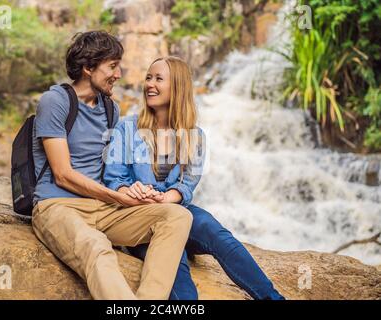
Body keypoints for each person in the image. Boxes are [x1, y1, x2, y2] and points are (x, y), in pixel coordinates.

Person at [103, 56, 285, 300]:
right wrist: (132, 190)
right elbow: (114, 179)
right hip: (140, 215)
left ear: (178, 86)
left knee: (215, 232)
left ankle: (273, 298)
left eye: (158, 79)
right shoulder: (127, 127)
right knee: (174, 263)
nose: (149, 84)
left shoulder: (195, 136)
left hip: (177, 209)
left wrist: (170, 196)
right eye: (148, 77)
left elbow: (187, 183)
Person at [31, 32, 193, 300]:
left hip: (103, 209)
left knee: (177, 216)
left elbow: (116, 170)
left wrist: (136, 192)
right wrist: (118, 196)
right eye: (112, 66)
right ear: (88, 67)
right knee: (97, 248)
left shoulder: (111, 109)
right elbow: (62, 175)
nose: (119, 74)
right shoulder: (55, 101)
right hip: (57, 205)